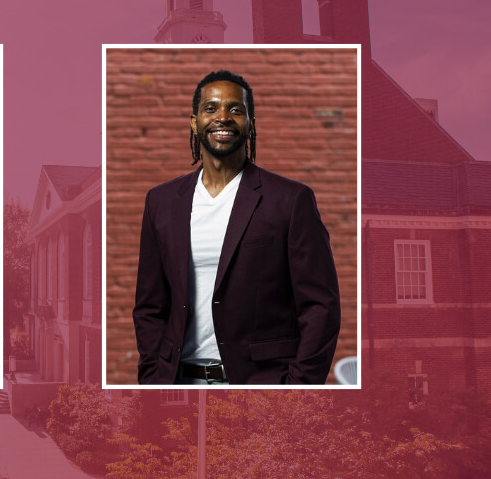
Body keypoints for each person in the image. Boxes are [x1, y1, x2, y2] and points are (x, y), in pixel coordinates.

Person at [133, 70, 340, 385]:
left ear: (251, 125)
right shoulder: (160, 202)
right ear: (194, 122)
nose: (223, 117)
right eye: (211, 108)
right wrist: (152, 376)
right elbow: (149, 305)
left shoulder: (290, 200)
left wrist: (298, 387)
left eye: (236, 109)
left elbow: (321, 307)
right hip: (178, 383)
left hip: (261, 386)